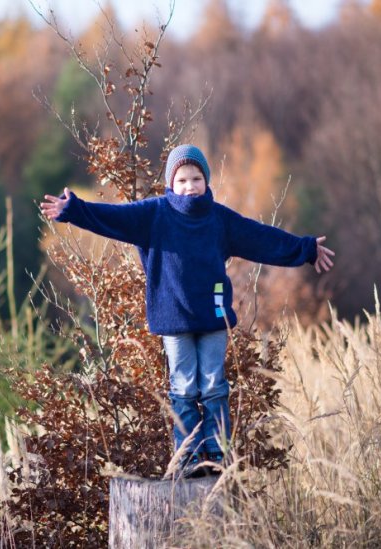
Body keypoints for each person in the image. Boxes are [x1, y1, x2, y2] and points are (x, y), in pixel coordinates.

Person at [39, 144, 334, 478]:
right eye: (182, 179)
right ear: (171, 184)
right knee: (182, 387)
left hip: (213, 317)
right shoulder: (153, 214)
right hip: (174, 319)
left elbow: (260, 237)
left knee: (213, 385)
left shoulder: (219, 219)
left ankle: (217, 453)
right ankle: (189, 455)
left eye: (196, 178)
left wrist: (305, 249)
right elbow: (111, 217)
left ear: (206, 182)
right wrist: (74, 210)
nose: (189, 186)